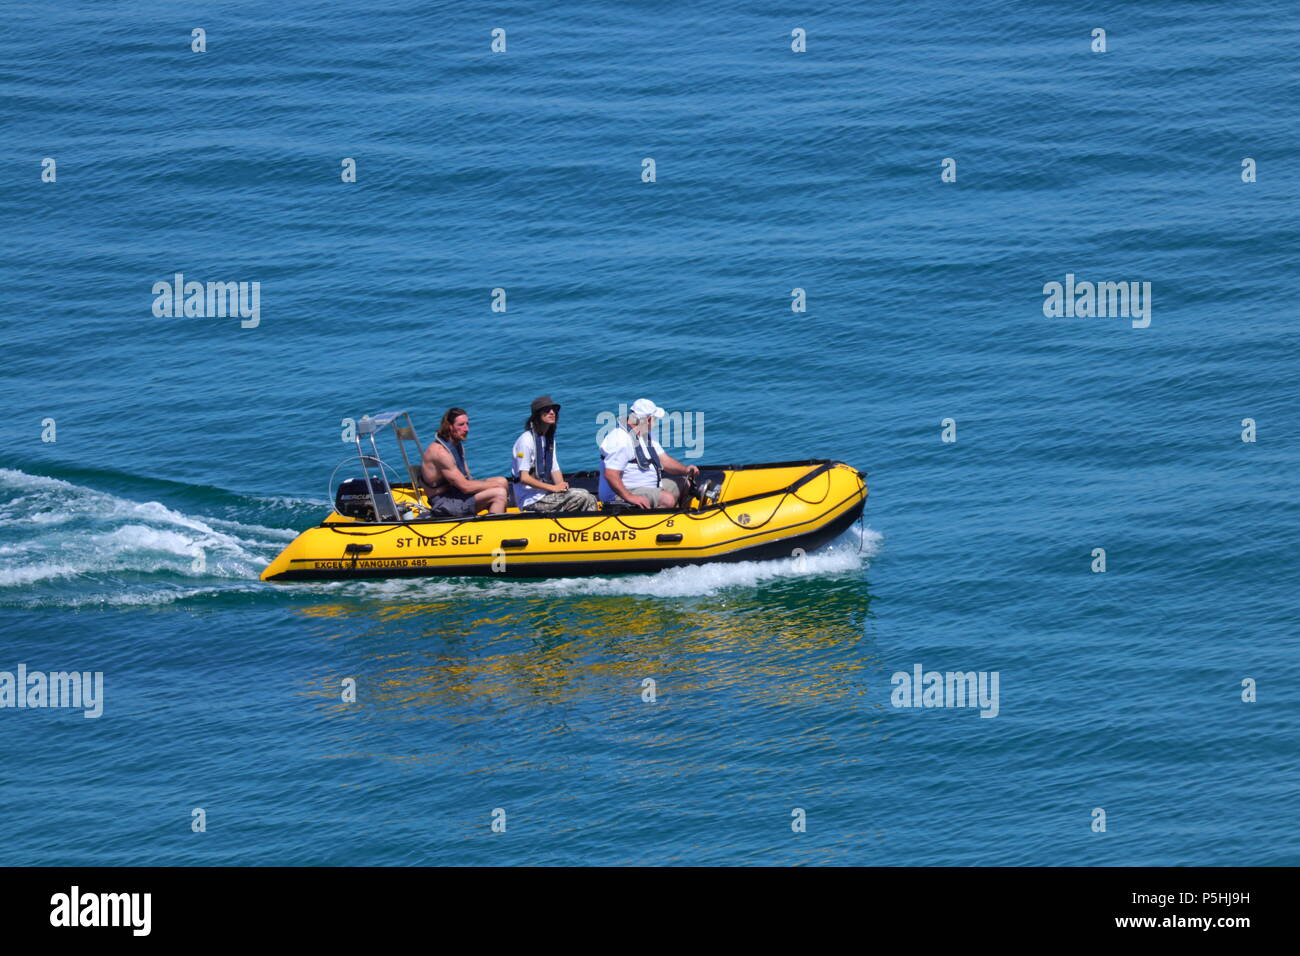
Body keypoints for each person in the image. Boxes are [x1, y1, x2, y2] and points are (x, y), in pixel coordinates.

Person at [599, 398, 699, 509]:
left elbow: (664, 461)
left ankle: (678, 515)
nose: (655, 422)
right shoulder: (620, 439)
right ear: (648, 419)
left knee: (684, 483)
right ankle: (660, 520)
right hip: (622, 494)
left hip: (649, 487)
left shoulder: (646, 433)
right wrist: (630, 496)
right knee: (667, 499)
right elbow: (611, 475)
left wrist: (685, 470)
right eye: (655, 418)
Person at [512, 396, 598, 513]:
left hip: (546, 495)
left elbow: (554, 467)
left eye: (554, 410)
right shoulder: (526, 441)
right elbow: (524, 478)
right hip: (531, 500)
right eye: (547, 410)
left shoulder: (548, 440)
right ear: (537, 415)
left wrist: (562, 487)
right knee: (583, 497)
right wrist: (553, 488)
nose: (552, 412)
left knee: (589, 496)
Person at [421, 407, 508, 515]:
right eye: (461, 425)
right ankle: (494, 526)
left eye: (467, 424)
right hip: (444, 503)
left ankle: (497, 514)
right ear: (449, 427)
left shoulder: (456, 445)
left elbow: (467, 477)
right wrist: (492, 486)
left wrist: (493, 485)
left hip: (456, 494)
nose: (466, 429)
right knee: (499, 493)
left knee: (502, 481)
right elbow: (465, 487)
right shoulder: (441, 453)